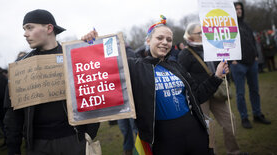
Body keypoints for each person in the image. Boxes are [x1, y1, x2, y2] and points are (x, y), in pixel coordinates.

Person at [82, 15, 229, 155]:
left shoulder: (176, 66)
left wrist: (216, 77)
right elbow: (103, 66)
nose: (165, 42)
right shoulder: (135, 67)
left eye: (169, 39)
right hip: (163, 139)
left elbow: (197, 95)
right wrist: (92, 43)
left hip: (195, 133)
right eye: (159, 38)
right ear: (148, 40)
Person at [3, 9, 99, 155]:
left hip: (73, 139)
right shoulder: (20, 66)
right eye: (24, 29)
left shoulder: (73, 56)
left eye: (30, 27)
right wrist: (13, 149)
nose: (25, 34)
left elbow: (94, 90)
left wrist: (89, 133)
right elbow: (13, 115)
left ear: (49, 28)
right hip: (38, 145)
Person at [178, 23, 242, 155]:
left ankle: (234, 151)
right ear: (190, 36)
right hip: (201, 96)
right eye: (199, 33)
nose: (203, 35)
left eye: (204, 32)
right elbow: (183, 76)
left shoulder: (213, 47)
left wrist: (224, 69)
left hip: (216, 91)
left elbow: (219, 66)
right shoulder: (185, 53)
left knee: (230, 122)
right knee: (208, 130)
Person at [231, 2, 271, 129]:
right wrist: (232, 59)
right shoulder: (230, 26)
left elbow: (252, 41)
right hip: (238, 65)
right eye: (236, 9)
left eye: (240, 9)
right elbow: (225, 43)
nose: (239, 11)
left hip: (252, 63)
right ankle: (244, 118)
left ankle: (257, 114)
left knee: (255, 91)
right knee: (240, 93)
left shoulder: (246, 25)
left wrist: (255, 56)